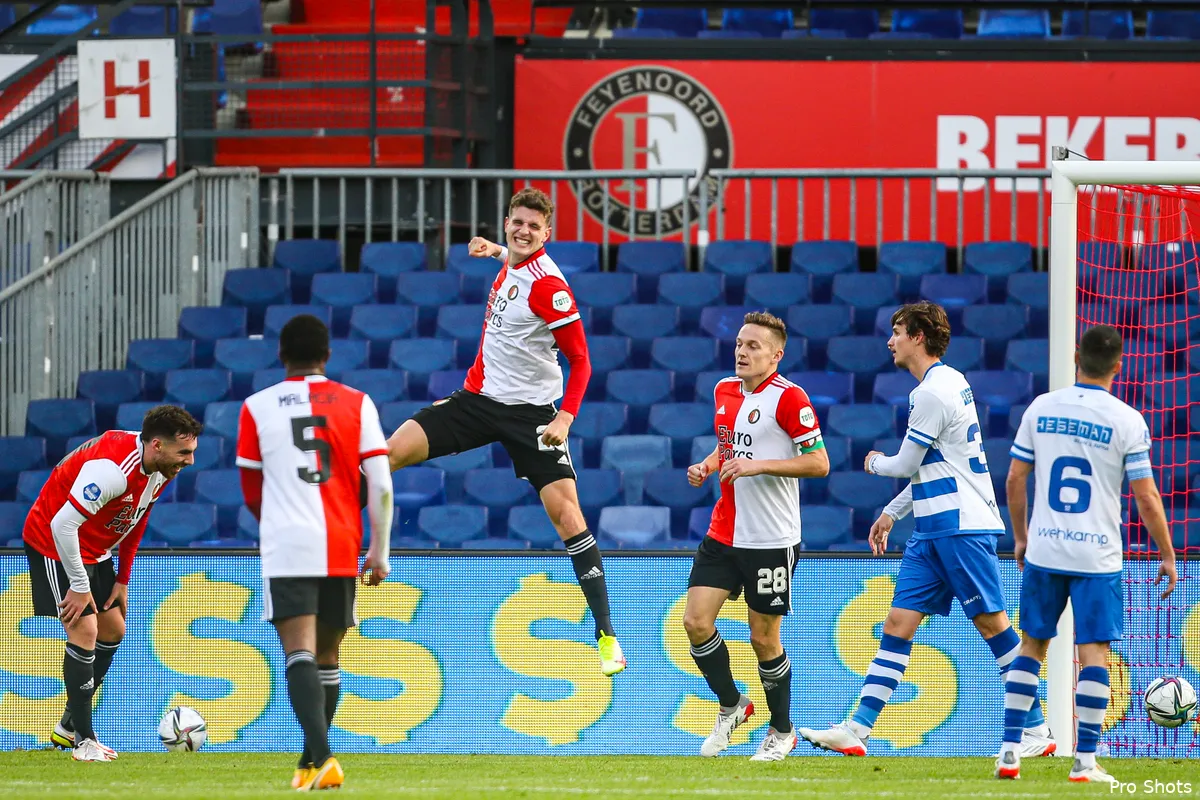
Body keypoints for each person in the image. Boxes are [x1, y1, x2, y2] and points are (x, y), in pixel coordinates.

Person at [385, 187, 625, 677]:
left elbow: (581, 361)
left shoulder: (549, 287)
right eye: (517, 222)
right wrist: (493, 249)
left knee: (568, 518)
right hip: (477, 402)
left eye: (534, 227)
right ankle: (345, 550)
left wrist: (564, 419)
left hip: (532, 417)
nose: (523, 231)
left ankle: (605, 634)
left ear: (547, 234)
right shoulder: (512, 260)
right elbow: (512, 264)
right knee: (387, 453)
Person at [798, 301, 1052, 757]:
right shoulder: (949, 383)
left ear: (918, 336)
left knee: (994, 626)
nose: (889, 341)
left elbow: (905, 464)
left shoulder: (932, 392)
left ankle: (1035, 729)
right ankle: (857, 728)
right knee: (897, 623)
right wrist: (893, 513)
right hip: (933, 530)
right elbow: (937, 467)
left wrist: (873, 463)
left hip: (960, 528)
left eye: (896, 331)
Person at [995, 324, 1176, 784]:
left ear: (1077, 356)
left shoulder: (1041, 408)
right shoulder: (1127, 420)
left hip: (1046, 547)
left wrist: (1021, 537)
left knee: (1032, 646)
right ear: (1118, 366)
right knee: (1093, 653)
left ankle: (1011, 751)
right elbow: (1147, 497)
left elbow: (1015, 480)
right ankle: (1085, 762)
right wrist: (1168, 555)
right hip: (1097, 555)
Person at [237, 314, 394, 791]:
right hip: (342, 542)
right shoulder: (358, 403)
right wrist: (380, 550)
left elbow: (251, 489)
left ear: (281, 355)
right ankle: (311, 762)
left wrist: (279, 521)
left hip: (287, 543)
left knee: (298, 651)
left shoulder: (257, 406)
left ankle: (321, 757)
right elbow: (381, 486)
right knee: (327, 655)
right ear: (327, 355)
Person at [682, 311, 829, 762]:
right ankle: (732, 705)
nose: (742, 352)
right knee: (695, 621)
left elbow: (819, 463)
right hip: (725, 529)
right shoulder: (724, 390)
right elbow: (731, 444)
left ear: (776, 355)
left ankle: (781, 730)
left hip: (770, 536)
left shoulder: (790, 399)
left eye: (753, 346)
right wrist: (710, 464)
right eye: (740, 344)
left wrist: (757, 465)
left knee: (763, 638)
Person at [23, 405, 201, 762]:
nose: (190, 461)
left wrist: (122, 578)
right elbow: (62, 525)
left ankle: (69, 724)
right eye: (184, 452)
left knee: (113, 630)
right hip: (54, 542)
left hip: (96, 546)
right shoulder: (112, 472)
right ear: (156, 445)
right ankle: (83, 741)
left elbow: (139, 515)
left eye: (192, 451)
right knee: (85, 629)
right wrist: (78, 585)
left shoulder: (160, 469)